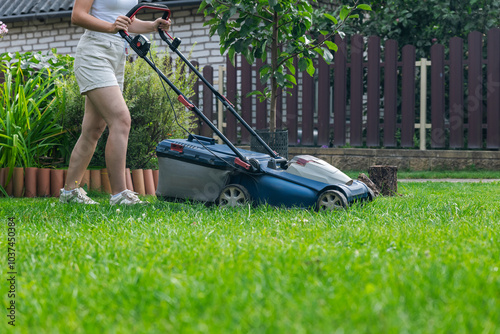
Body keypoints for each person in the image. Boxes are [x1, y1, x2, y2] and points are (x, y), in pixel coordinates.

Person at [60, 0, 171, 205]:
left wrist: (152, 25)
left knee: (93, 129)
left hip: (116, 55)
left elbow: (127, 21)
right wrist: (111, 27)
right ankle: (119, 194)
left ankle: (69, 192)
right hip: (94, 53)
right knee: (121, 119)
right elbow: (78, 15)